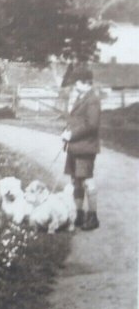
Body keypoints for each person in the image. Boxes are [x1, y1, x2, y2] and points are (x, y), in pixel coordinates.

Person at [61, 67, 101, 231]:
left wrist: (72, 135)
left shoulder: (92, 100)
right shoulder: (80, 97)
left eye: (77, 82)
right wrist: (65, 132)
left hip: (85, 147)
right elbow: (74, 120)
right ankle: (79, 214)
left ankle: (93, 216)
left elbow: (91, 125)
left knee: (86, 180)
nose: (75, 86)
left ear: (85, 83)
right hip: (74, 147)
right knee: (75, 180)